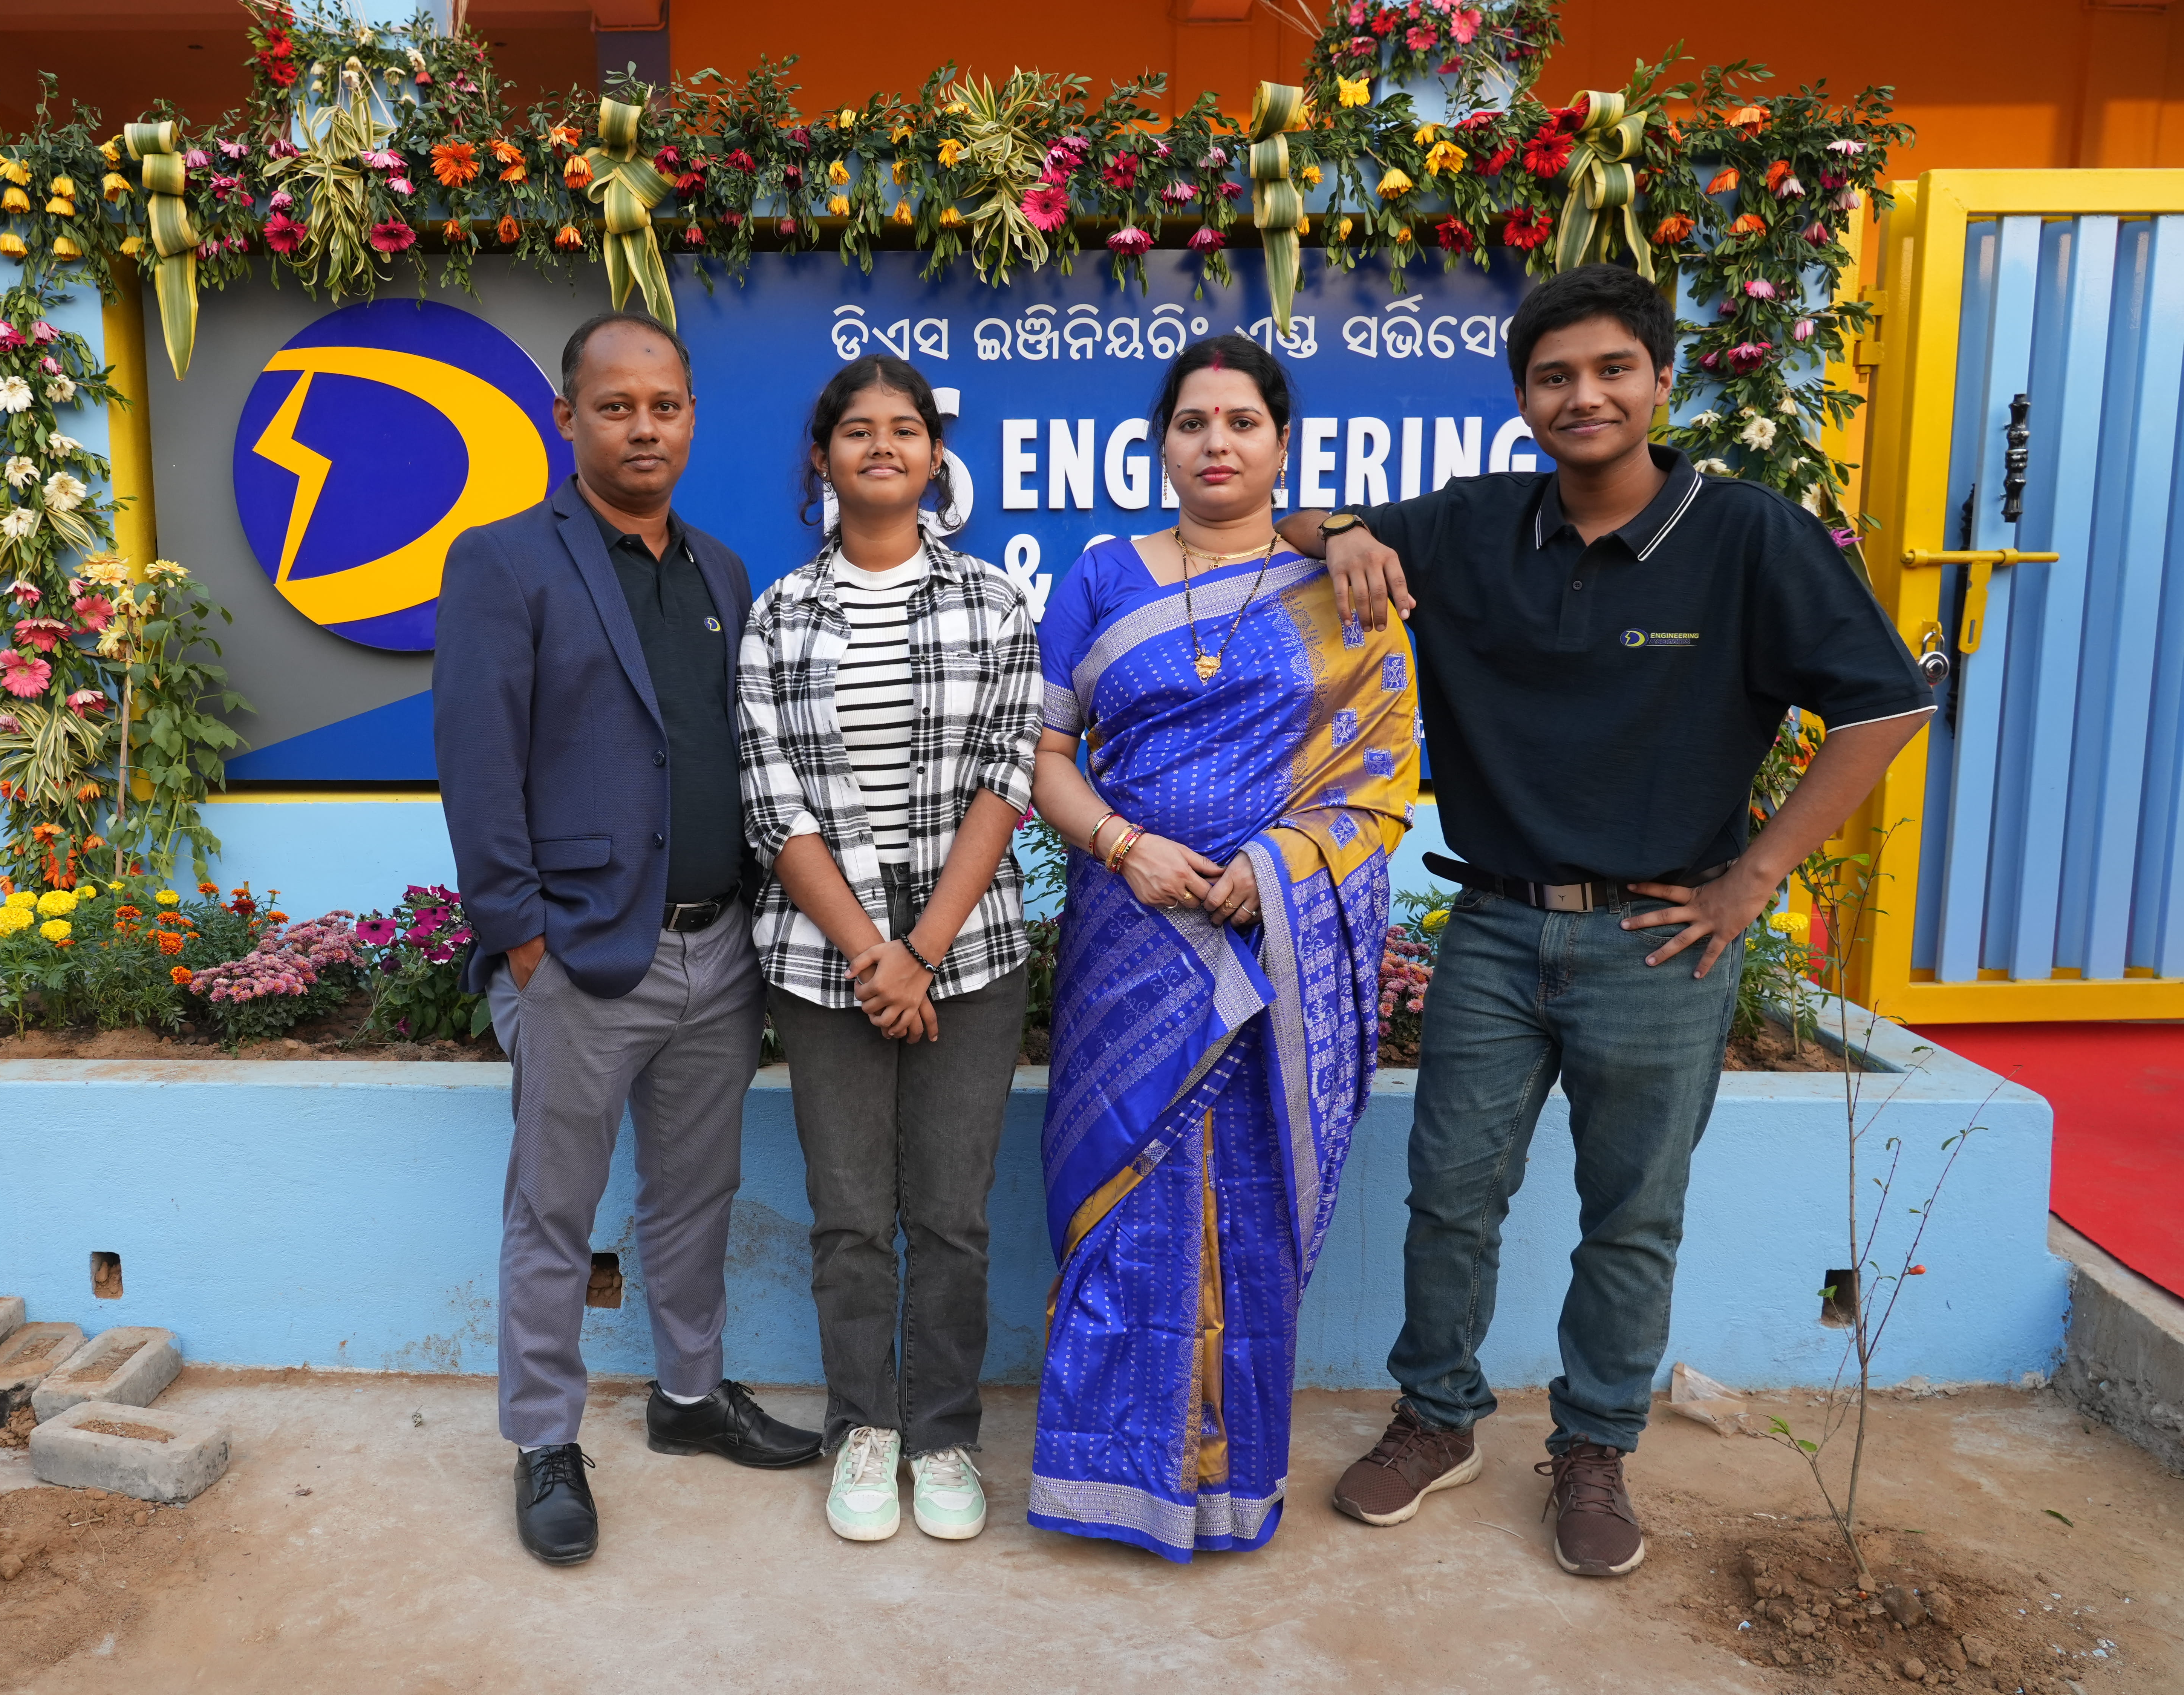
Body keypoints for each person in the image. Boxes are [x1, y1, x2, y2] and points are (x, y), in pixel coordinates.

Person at [1275, 262, 1933, 1578]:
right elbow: (1292, 525)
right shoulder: (1474, 524)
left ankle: (1594, 1448)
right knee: (1450, 1194)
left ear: (1660, 381)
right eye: (1554, 377)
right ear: (1525, 398)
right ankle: (1438, 1415)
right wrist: (1343, 530)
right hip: (1495, 928)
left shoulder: (1745, 536)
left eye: (1611, 370)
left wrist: (1756, 877)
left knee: (1632, 1215)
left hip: (1659, 941)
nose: (1584, 396)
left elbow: (1887, 703)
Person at [1023, 333, 1418, 1561]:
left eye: (1243, 422)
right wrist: (1124, 845)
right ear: (1161, 444)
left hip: (1270, 944)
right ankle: (1105, 1478)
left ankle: (1228, 1480)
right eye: (1193, 423)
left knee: (1245, 1201)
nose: (1217, 444)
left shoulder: (1346, 587)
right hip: (1130, 928)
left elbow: (1382, 776)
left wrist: (1279, 868)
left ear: (1281, 444)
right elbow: (1043, 756)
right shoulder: (1102, 575)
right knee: (1120, 1194)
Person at [438, 311, 822, 1569]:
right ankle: (545, 1440)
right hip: (582, 958)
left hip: (723, 952)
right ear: (569, 419)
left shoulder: (722, 571)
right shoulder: (505, 561)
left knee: (696, 1195)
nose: (643, 427)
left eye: (664, 406)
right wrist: (523, 942)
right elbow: (477, 766)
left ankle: (689, 1395)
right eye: (617, 407)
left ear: (692, 418)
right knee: (553, 1211)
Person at [736, 355, 1042, 1545]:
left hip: (970, 954)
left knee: (954, 1215)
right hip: (828, 961)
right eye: (856, 430)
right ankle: (865, 1426)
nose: (882, 446)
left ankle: (944, 1434)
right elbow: (772, 801)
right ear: (822, 457)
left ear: (934, 455)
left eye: (904, 428)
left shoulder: (993, 603)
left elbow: (1007, 778)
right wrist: (876, 953)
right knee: (853, 1215)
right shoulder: (780, 613)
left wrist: (923, 948)